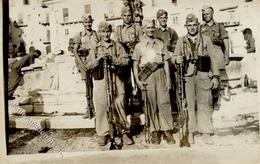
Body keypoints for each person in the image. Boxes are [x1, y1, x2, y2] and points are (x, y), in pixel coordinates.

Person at [172, 14, 219, 145]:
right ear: (186, 26)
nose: (192, 28)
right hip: (187, 76)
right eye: (189, 25)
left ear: (198, 25)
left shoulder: (206, 39)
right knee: (190, 105)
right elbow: (174, 56)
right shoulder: (181, 41)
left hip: (203, 75)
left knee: (204, 104)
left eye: (194, 25)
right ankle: (191, 131)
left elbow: (213, 59)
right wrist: (176, 59)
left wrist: (215, 76)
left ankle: (206, 132)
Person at [86, 22, 134, 146]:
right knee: (101, 106)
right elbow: (88, 65)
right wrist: (99, 59)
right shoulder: (95, 48)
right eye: (103, 32)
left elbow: (126, 61)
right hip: (100, 79)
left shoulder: (117, 46)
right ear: (100, 33)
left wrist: (113, 60)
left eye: (108, 31)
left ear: (111, 32)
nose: (106, 34)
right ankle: (104, 133)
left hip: (116, 77)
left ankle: (124, 131)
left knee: (119, 103)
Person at [133, 19, 175, 145]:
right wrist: (137, 81)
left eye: (152, 27)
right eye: (148, 28)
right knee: (151, 104)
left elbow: (166, 62)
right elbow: (135, 65)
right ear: (144, 29)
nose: (150, 30)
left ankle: (166, 129)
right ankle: (154, 131)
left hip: (161, 74)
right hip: (147, 76)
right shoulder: (139, 46)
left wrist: (168, 79)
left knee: (164, 102)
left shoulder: (160, 44)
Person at [114, 6, 143, 117]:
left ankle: (139, 107)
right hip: (124, 61)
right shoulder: (118, 29)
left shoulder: (137, 28)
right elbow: (116, 45)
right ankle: (127, 108)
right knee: (125, 84)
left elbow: (141, 42)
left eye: (129, 16)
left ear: (132, 16)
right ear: (122, 16)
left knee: (138, 80)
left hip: (136, 58)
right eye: (125, 16)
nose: (127, 18)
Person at [200, 5, 230, 110]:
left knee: (219, 75)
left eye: (207, 13)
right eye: (204, 14)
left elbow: (226, 40)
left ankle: (219, 98)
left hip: (217, 51)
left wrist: (227, 54)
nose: (206, 16)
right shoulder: (201, 27)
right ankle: (212, 100)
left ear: (212, 13)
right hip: (206, 53)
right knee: (208, 76)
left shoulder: (219, 26)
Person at [154, 9, 179, 123]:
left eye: (165, 17)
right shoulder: (155, 32)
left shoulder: (172, 32)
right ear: (158, 19)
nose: (163, 19)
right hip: (159, 64)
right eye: (161, 18)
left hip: (170, 64)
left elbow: (176, 47)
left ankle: (175, 113)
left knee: (173, 87)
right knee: (161, 88)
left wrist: (172, 53)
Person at [72, 14, 98, 119]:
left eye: (89, 22)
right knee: (88, 87)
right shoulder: (79, 35)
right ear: (83, 23)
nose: (88, 24)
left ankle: (97, 108)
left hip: (95, 64)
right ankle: (89, 109)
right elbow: (75, 51)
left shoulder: (96, 34)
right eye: (86, 22)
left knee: (97, 86)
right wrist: (81, 64)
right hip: (85, 64)